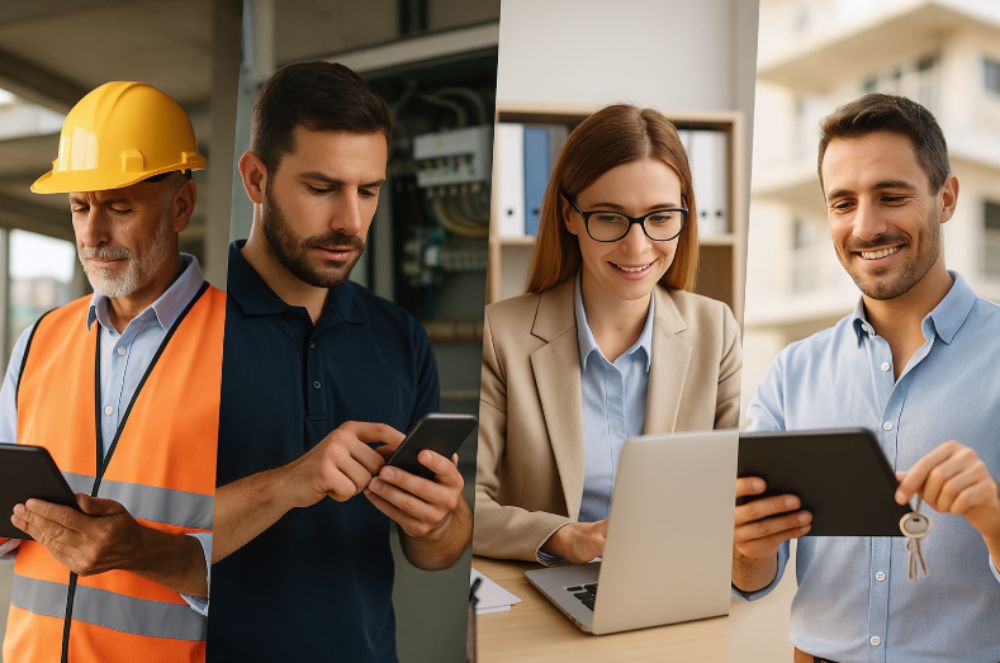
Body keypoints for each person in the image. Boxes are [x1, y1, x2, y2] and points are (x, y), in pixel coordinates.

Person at [206, 62, 472, 662]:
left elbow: (437, 554)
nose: (350, 222)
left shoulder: (400, 337)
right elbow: (143, 541)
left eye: (368, 191)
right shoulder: (185, 327)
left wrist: (439, 519)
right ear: (255, 178)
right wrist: (289, 483)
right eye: (322, 188)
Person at [733, 93, 1000, 662]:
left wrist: (994, 521)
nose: (866, 226)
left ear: (946, 198)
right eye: (842, 203)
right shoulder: (791, 372)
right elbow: (755, 577)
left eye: (891, 196)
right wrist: (745, 546)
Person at [0, 81, 223, 662]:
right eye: (80, 207)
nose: (93, 235)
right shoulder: (38, 341)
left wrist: (146, 551)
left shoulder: (247, 346)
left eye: (119, 207)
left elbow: (287, 572)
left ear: (181, 206)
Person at [474, 104, 742, 563]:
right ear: (570, 215)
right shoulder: (503, 335)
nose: (636, 246)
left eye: (660, 217)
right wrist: (562, 536)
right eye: (610, 217)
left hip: (670, 580)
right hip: (547, 590)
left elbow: (739, 490)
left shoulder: (715, 329)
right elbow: (464, 505)